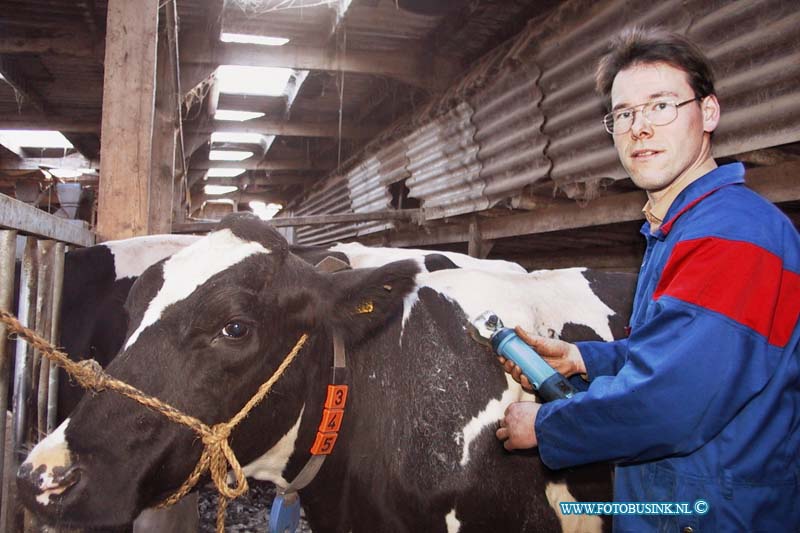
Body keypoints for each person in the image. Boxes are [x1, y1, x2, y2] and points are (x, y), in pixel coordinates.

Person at [495, 27, 800, 531]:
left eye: (661, 106)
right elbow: (674, 354)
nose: (638, 128)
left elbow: (669, 404)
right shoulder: (677, 230)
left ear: (708, 113)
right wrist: (581, 359)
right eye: (624, 114)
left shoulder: (733, 237)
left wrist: (547, 427)